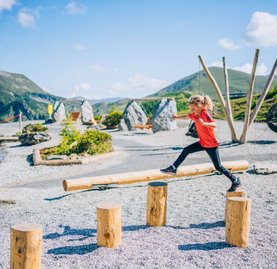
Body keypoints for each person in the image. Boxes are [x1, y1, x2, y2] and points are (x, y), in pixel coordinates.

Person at [160, 95, 241, 192]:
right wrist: (176, 117)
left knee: (218, 167)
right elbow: (187, 116)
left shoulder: (204, 114)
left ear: (200, 105)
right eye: (191, 109)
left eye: (193, 108)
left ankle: (235, 180)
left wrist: (204, 124)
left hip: (211, 145)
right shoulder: (195, 115)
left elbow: (214, 124)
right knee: (186, 150)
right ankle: (173, 168)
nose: (192, 111)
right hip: (202, 143)